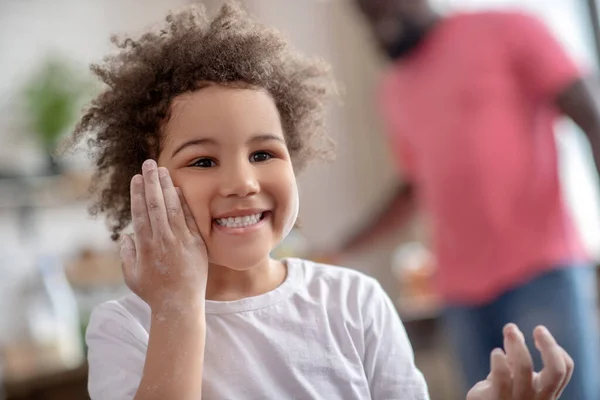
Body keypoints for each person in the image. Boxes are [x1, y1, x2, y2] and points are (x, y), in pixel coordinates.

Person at [62, 2, 574, 399]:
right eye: (202, 161)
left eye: (263, 153)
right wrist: (176, 307)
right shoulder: (127, 328)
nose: (243, 182)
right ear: (144, 186)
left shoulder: (355, 303)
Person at [340, 0, 600, 398]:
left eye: (382, 9)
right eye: (366, 16)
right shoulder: (395, 89)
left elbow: (589, 113)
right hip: (459, 294)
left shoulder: (509, 29)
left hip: (540, 270)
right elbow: (414, 187)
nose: (377, 25)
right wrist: (342, 249)